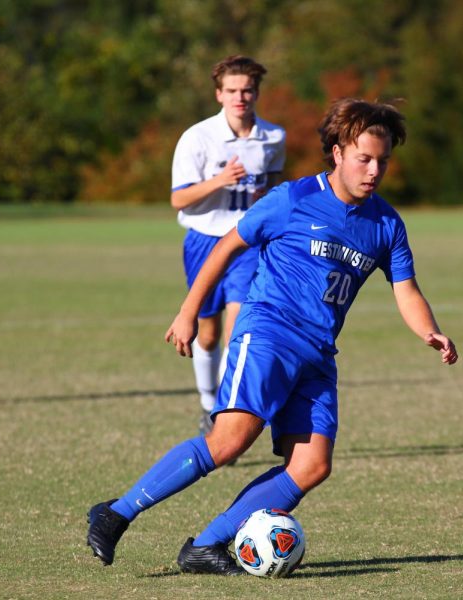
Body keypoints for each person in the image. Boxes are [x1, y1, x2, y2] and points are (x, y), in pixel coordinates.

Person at [86, 98, 458, 574]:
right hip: (268, 333)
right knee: (228, 442)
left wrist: (430, 331)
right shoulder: (293, 200)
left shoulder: (386, 223)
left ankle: (206, 545)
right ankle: (116, 514)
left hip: (318, 355)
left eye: (383, 160)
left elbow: (407, 290)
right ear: (338, 151)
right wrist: (189, 310)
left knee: (311, 466)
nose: (374, 170)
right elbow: (226, 246)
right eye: (364, 158)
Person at [170, 55, 286, 435]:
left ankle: (223, 411)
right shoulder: (197, 137)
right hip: (204, 241)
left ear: (256, 93)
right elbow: (179, 200)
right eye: (232, 90)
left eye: (247, 90)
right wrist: (220, 181)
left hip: (246, 244)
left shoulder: (273, 137)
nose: (240, 97)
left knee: (239, 327)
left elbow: (270, 191)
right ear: (219, 94)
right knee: (209, 334)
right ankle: (207, 403)